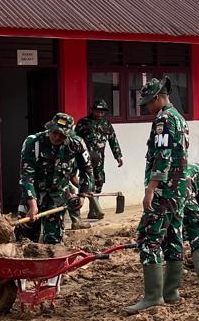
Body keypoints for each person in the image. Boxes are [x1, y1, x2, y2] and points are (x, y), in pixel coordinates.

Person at [123, 77, 190, 314]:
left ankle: (153, 296)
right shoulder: (179, 118)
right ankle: (171, 292)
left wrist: (150, 189)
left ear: (159, 98)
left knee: (149, 237)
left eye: (149, 103)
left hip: (164, 189)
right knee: (173, 236)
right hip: (179, 188)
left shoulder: (163, 119)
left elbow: (162, 156)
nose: (147, 108)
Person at [19, 112, 94, 246]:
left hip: (57, 196)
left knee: (54, 240)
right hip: (33, 193)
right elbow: (26, 175)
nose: (57, 137)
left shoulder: (76, 144)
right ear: (49, 129)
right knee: (25, 237)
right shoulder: (33, 142)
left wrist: (82, 194)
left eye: (62, 135)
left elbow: (87, 170)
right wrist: (33, 204)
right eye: (54, 132)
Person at [75, 100, 123, 223]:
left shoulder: (106, 124)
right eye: (98, 111)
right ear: (92, 110)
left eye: (102, 112)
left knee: (99, 182)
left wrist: (118, 156)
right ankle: (78, 212)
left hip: (100, 159)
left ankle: (93, 210)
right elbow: (75, 140)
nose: (100, 114)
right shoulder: (83, 123)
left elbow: (113, 140)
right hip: (85, 159)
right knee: (86, 183)